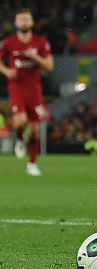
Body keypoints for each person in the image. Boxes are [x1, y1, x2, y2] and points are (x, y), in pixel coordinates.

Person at [0, 9, 53, 176]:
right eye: (20, 19)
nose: (24, 22)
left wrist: (35, 57)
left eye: (27, 19)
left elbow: (49, 66)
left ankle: (32, 163)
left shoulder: (40, 42)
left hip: (34, 90)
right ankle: (20, 139)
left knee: (35, 129)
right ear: (15, 23)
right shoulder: (9, 42)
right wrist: (6, 71)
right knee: (20, 122)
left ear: (32, 23)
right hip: (16, 88)